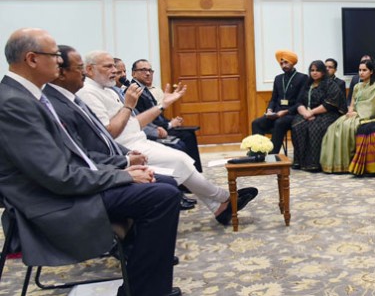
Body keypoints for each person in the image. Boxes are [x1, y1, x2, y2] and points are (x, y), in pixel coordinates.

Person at [0, 27, 182, 296]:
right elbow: (58, 176)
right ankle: (146, 290)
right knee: (162, 195)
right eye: (54, 56)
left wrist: (122, 166)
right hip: (51, 201)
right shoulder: (14, 103)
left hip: (64, 187)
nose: (59, 62)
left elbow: (75, 155)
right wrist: (124, 175)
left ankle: (141, 281)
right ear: (32, 59)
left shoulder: (29, 96)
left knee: (162, 185)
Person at [77, 50, 257, 226]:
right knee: (179, 160)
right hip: (125, 148)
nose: (114, 71)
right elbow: (108, 133)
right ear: (90, 69)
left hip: (138, 139)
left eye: (114, 67)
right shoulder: (88, 93)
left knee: (182, 159)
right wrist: (128, 106)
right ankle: (223, 198)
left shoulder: (109, 90)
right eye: (108, 66)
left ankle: (219, 206)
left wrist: (162, 105)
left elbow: (134, 123)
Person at [130, 59, 203, 172]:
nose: (148, 73)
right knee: (185, 138)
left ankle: (194, 173)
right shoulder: (135, 91)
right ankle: (188, 175)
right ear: (133, 73)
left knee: (189, 132)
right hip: (152, 131)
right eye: (143, 70)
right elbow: (146, 119)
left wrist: (170, 123)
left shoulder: (144, 89)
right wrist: (169, 125)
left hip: (160, 126)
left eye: (150, 70)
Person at [320, 60, 375, 173]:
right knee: (334, 127)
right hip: (354, 113)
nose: (361, 73)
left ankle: (348, 162)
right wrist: (350, 111)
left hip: (366, 116)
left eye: (364, 70)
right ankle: (336, 164)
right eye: (360, 70)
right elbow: (352, 102)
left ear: (371, 71)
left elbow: (372, 105)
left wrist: (357, 114)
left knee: (348, 127)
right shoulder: (357, 86)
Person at [290, 60, 346, 171]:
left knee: (314, 127)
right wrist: (305, 113)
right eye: (312, 70)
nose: (314, 73)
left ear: (323, 72)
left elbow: (329, 104)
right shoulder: (307, 84)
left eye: (317, 70)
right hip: (306, 113)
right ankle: (300, 161)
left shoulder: (329, 84)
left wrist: (312, 112)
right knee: (297, 125)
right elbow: (299, 102)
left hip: (327, 113)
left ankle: (314, 163)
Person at [251, 49, 307, 154]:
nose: (283, 65)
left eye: (286, 62)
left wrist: (285, 112)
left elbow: (300, 101)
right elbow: (273, 98)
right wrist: (269, 110)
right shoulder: (278, 78)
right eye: (281, 63)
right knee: (256, 123)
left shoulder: (302, 78)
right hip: (276, 112)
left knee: (279, 123)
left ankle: (272, 155)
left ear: (292, 62)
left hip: (292, 113)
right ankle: (258, 153)